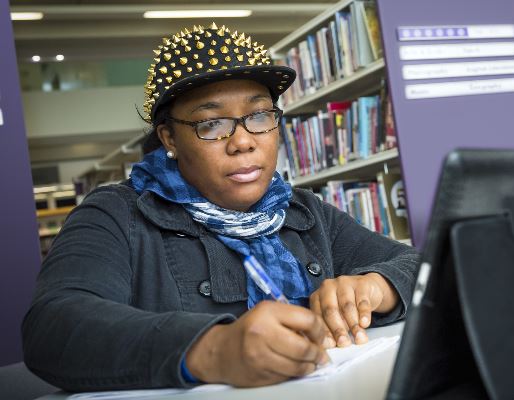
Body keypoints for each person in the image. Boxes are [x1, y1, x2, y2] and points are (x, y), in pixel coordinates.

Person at [22, 23, 419, 391]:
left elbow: (423, 266)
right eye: (211, 124)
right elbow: (54, 326)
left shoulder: (303, 212)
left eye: (259, 115)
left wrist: (373, 287)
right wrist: (215, 348)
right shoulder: (116, 214)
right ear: (169, 139)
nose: (243, 141)